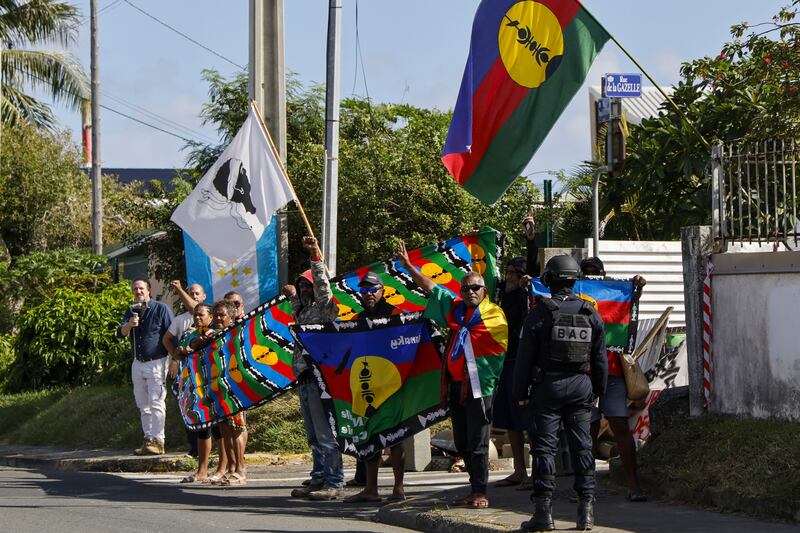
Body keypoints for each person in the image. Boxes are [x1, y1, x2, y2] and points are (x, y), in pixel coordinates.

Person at [397, 241, 508, 510]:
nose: (470, 292)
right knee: (462, 440)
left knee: (479, 441)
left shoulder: (493, 314)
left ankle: (481, 490)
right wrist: (410, 267)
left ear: (484, 291)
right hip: (457, 386)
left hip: (480, 388)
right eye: (466, 288)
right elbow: (431, 287)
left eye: (475, 288)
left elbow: (499, 349)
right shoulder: (457, 311)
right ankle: (472, 487)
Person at [514, 255, 607, 531]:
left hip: (548, 388)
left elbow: (524, 358)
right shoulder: (591, 313)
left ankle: (543, 514)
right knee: (583, 448)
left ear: (550, 280)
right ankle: (586, 512)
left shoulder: (540, 312)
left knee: (544, 449)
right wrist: (598, 392)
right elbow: (600, 360)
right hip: (581, 388)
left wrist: (520, 392)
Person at [581, 256, 648, 502]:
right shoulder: (574, 298)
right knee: (587, 430)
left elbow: (628, 307)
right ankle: (586, 488)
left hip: (613, 373)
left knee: (620, 425)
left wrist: (637, 288)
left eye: (594, 273)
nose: (590, 276)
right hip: (584, 375)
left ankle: (633, 483)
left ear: (603, 273)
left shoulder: (612, 295)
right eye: (586, 273)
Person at [287, 236, 344, 501]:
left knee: (325, 434)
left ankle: (334, 482)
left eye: (306, 285)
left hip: (322, 378)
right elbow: (295, 304)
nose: (304, 290)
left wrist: (315, 257)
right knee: (313, 436)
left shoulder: (325, 310)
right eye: (301, 287)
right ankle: (319, 477)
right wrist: (293, 295)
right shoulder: (302, 313)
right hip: (304, 378)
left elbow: (323, 287)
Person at [344, 272, 405, 504]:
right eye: (364, 290)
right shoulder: (357, 317)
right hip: (366, 386)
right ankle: (371, 489)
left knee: (397, 438)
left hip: (392, 386)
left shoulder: (395, 313)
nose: (368, 294)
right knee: (369, 438)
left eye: (373, 289)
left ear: (383, 290)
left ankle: (398, 488)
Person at [494, 211, 541, 489]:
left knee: (529, 420)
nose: (510, 276)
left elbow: (534, 263)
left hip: (526, 363)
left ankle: (537, 473)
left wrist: (530, 237)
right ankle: (519, 471)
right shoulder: (503, 295)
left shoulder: (528, 294)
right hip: (505, 362)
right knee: (511, 421)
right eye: (509, 272)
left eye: (515, 273)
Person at [117, 277, 175, 456]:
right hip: (138, 362)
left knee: (157, 402)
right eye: (135, 289)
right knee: (143, 404)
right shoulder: (131, 310)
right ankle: (148, 439)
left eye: (141, 289)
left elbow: (171, 334)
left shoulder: (161, 308)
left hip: (157, 361)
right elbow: (120, 333)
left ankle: (159, 441)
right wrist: (130, 324)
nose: (138, 292)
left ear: (148, 290)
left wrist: (175, 360)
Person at [163, 281, 206, 457]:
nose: (194, 296)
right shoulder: (180, 319)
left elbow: (196, 308)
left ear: (204, 297)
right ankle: (194, 448)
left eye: (197, 293)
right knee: (188, 408)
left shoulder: (208, 314)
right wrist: (174, 358)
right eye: (191, 293)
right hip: (186, 373)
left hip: (205, 371)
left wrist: (179, 289)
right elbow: (167, 339)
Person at [174, 303, 215, 483]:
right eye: (195, 315)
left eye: (201, 315)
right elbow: (178, 352)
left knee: (220, 430)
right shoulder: (191, 333)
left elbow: (199, 344)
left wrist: (188, 349)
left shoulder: (213, 333)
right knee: (202, 429)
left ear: (210, 317)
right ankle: (202, 471)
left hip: (213, 384)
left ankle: (227, 468)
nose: (198, 318)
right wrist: (182, 350)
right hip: (196, 387)